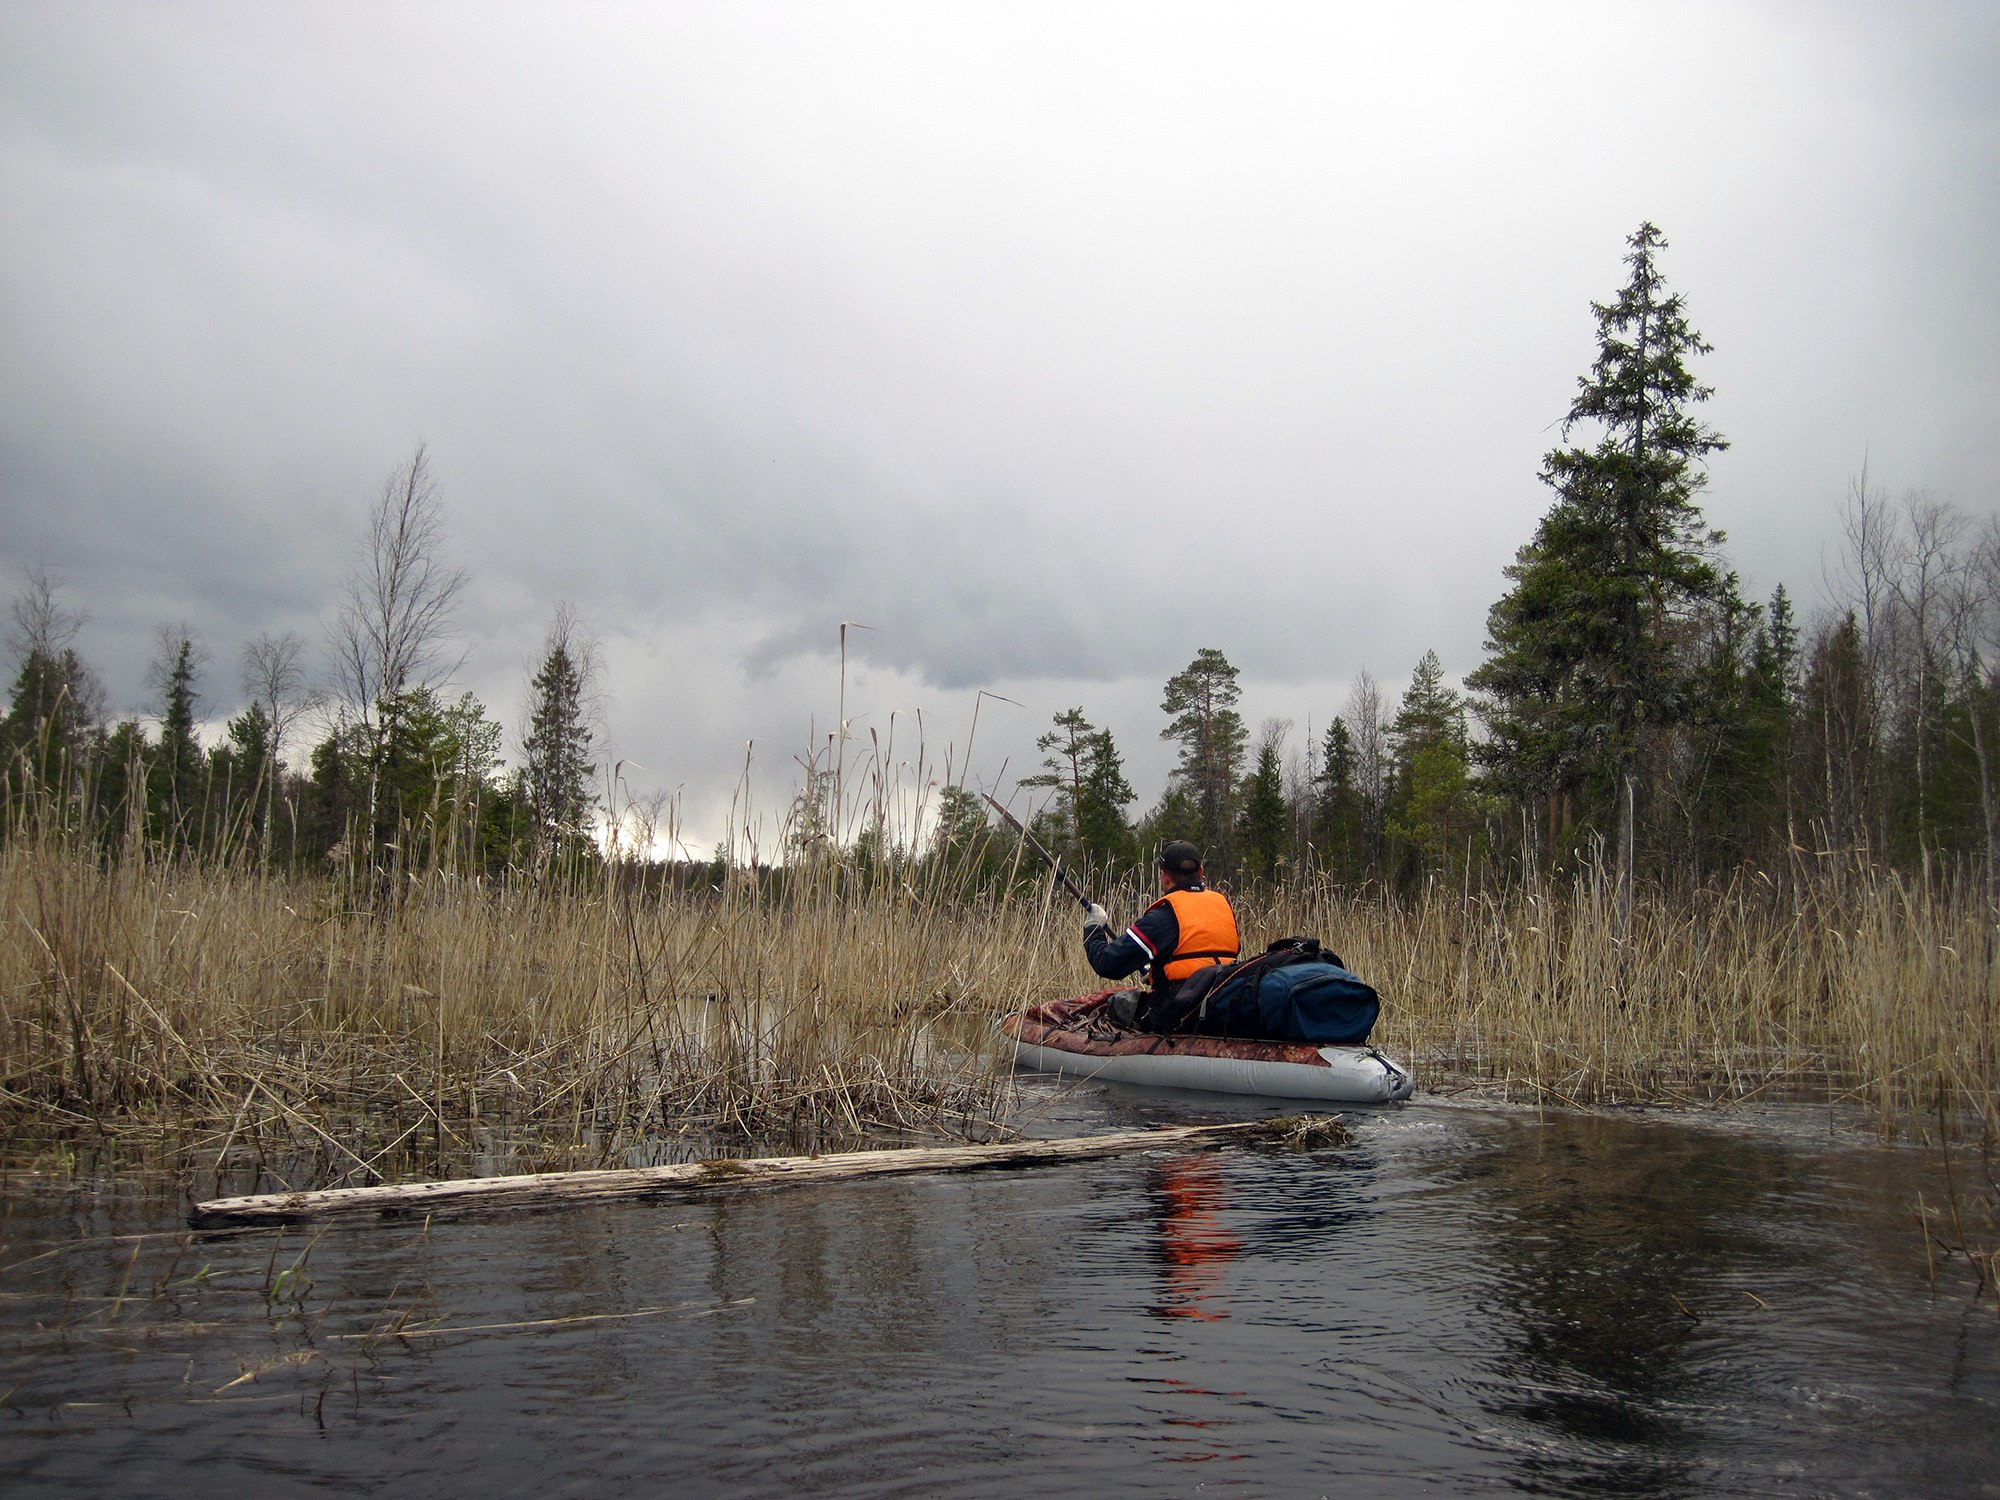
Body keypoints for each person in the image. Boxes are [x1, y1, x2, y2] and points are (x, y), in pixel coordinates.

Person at [1083, 840, 1241, 1031]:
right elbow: (1203, 955)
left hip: (1180, 1011)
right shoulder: (1222, 906)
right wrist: (1157, 972)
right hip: (1225, 1001)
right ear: (1201, 872)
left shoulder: (1164, 916)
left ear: (1165, 877)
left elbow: (1107, 964)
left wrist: (1093, 928)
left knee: (1118, 1004)